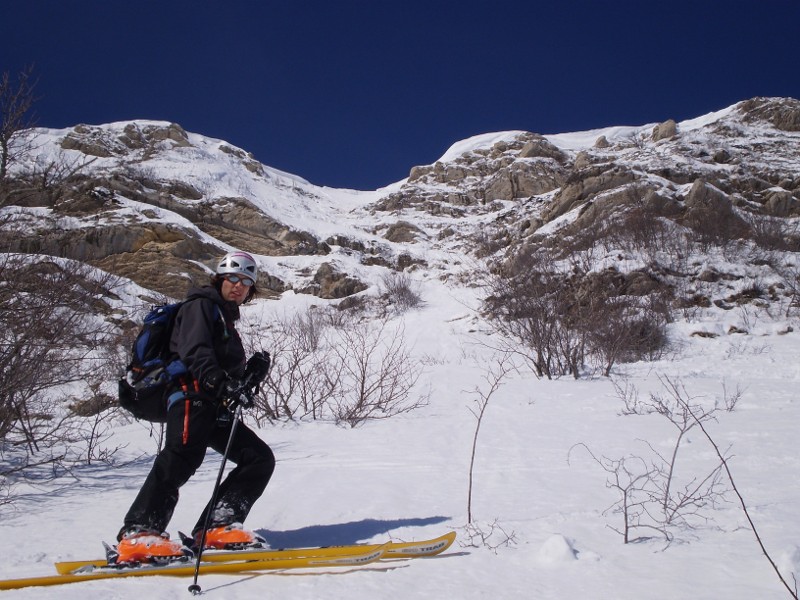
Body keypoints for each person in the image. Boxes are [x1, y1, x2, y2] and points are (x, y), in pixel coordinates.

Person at [115, 251, 275, 563]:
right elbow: (194, 350)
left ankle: (217, 527)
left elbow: (221, 366)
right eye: (233, 279)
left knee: (257, 458)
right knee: (182, 454)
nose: (239, 286)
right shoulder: (202, 305)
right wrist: (221, 381)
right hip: (190, 392)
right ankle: (140, 532)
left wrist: (248, 376)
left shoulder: (224, 318)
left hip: (212, 401)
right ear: (220, 279)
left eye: (246, 282)